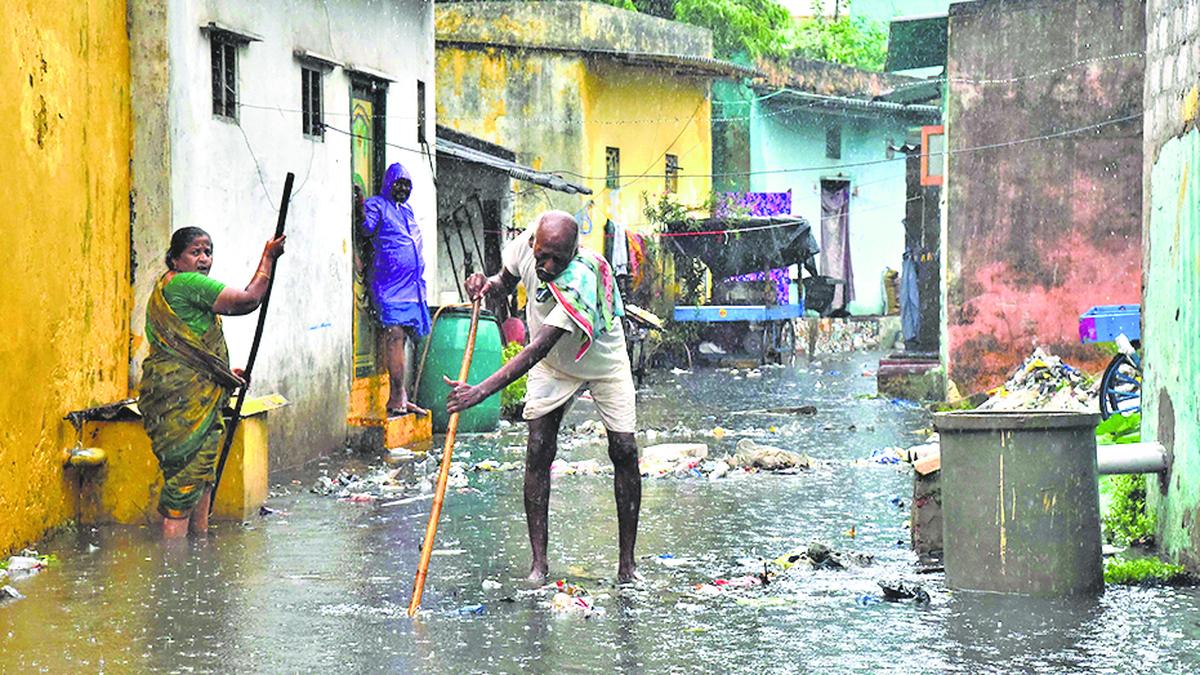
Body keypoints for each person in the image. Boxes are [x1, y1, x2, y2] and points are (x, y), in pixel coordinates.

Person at [446, 211, 641, 583]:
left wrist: (480, 392)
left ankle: (627, 565)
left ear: (574, 251)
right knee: (538, 449)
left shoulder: (582, 276)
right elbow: (505, 281)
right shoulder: (525, 245)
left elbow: (534, 348)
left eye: (558, 259)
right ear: (533, 242)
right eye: (542, 257)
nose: (548, 266)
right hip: (553, 366)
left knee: (624, 452)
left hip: (602, 359)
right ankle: (539, 563)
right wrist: (485, 286)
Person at [140, 227, 285, 539]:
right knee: (185, 481)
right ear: (175, 259)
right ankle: (174, 568)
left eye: (208, 252)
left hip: (181, 393)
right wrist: (268, 259)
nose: (204, 259)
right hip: (185, 397)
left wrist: (223, 372)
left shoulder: (168, 287)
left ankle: (198, 550)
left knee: (201, 472)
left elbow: (190, 350)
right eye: (195, 252)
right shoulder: (187, 283)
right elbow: (246, 301)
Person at [362, 162, 431, 417]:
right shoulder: (377, 205)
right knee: (395, 337)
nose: (402, 189)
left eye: (406, 185)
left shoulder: (407, 210)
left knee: (407, 340)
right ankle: (396, 396)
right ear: (388, 183)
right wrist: (360, 208)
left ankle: (403, 395)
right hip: (391, 287)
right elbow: (366, 228)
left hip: (412, 289)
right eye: (398, 183)